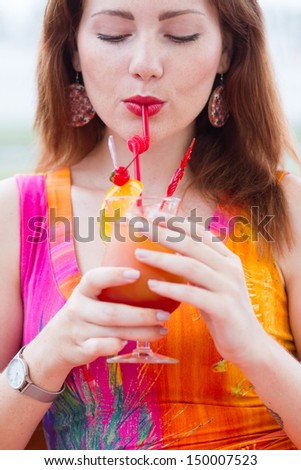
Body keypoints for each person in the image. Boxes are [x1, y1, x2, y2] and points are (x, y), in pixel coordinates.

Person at [0, 0, 301, 451]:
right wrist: (49, 353)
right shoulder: (18, 212)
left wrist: (254, 350)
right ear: (74, 52)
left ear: (227, 53)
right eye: (113, 35)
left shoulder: (286, 206)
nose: (145, 65)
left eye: (180, 35)